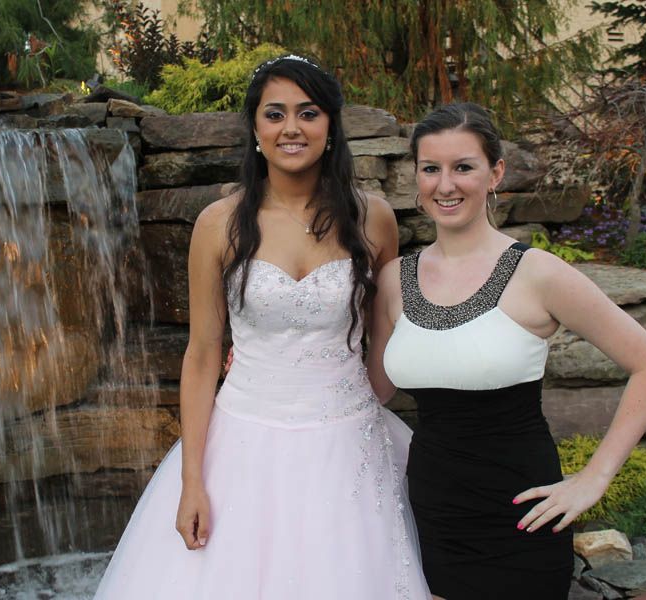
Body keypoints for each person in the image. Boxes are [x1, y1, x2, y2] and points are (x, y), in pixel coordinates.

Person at [93, 55, 431, 599]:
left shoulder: (373, 219)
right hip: (242, 443)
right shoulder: (219, 224)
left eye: (308, 113)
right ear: (255, 128)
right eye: (275, 114)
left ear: (330, 127)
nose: (291, 128)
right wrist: (191, 481)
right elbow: (203, 354)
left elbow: (382, 334)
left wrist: (364, 401)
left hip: (347, 446)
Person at [366, 102, 646, 600]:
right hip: (433, 505)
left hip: (522, 508)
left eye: (463, 167)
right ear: (416, 179)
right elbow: (374, 389)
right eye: (431, 169)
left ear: (496, 174)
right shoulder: (393, 281)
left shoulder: (538, 273)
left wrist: (595, 477)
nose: (446, 185)